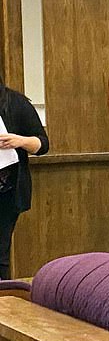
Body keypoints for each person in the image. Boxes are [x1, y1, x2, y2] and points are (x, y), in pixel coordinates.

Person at [0, 77, 49, 279]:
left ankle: (4, 301)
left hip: (7, 191)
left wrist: (19, 141)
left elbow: (43, 145)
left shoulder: (15, 103)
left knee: (1, 249)